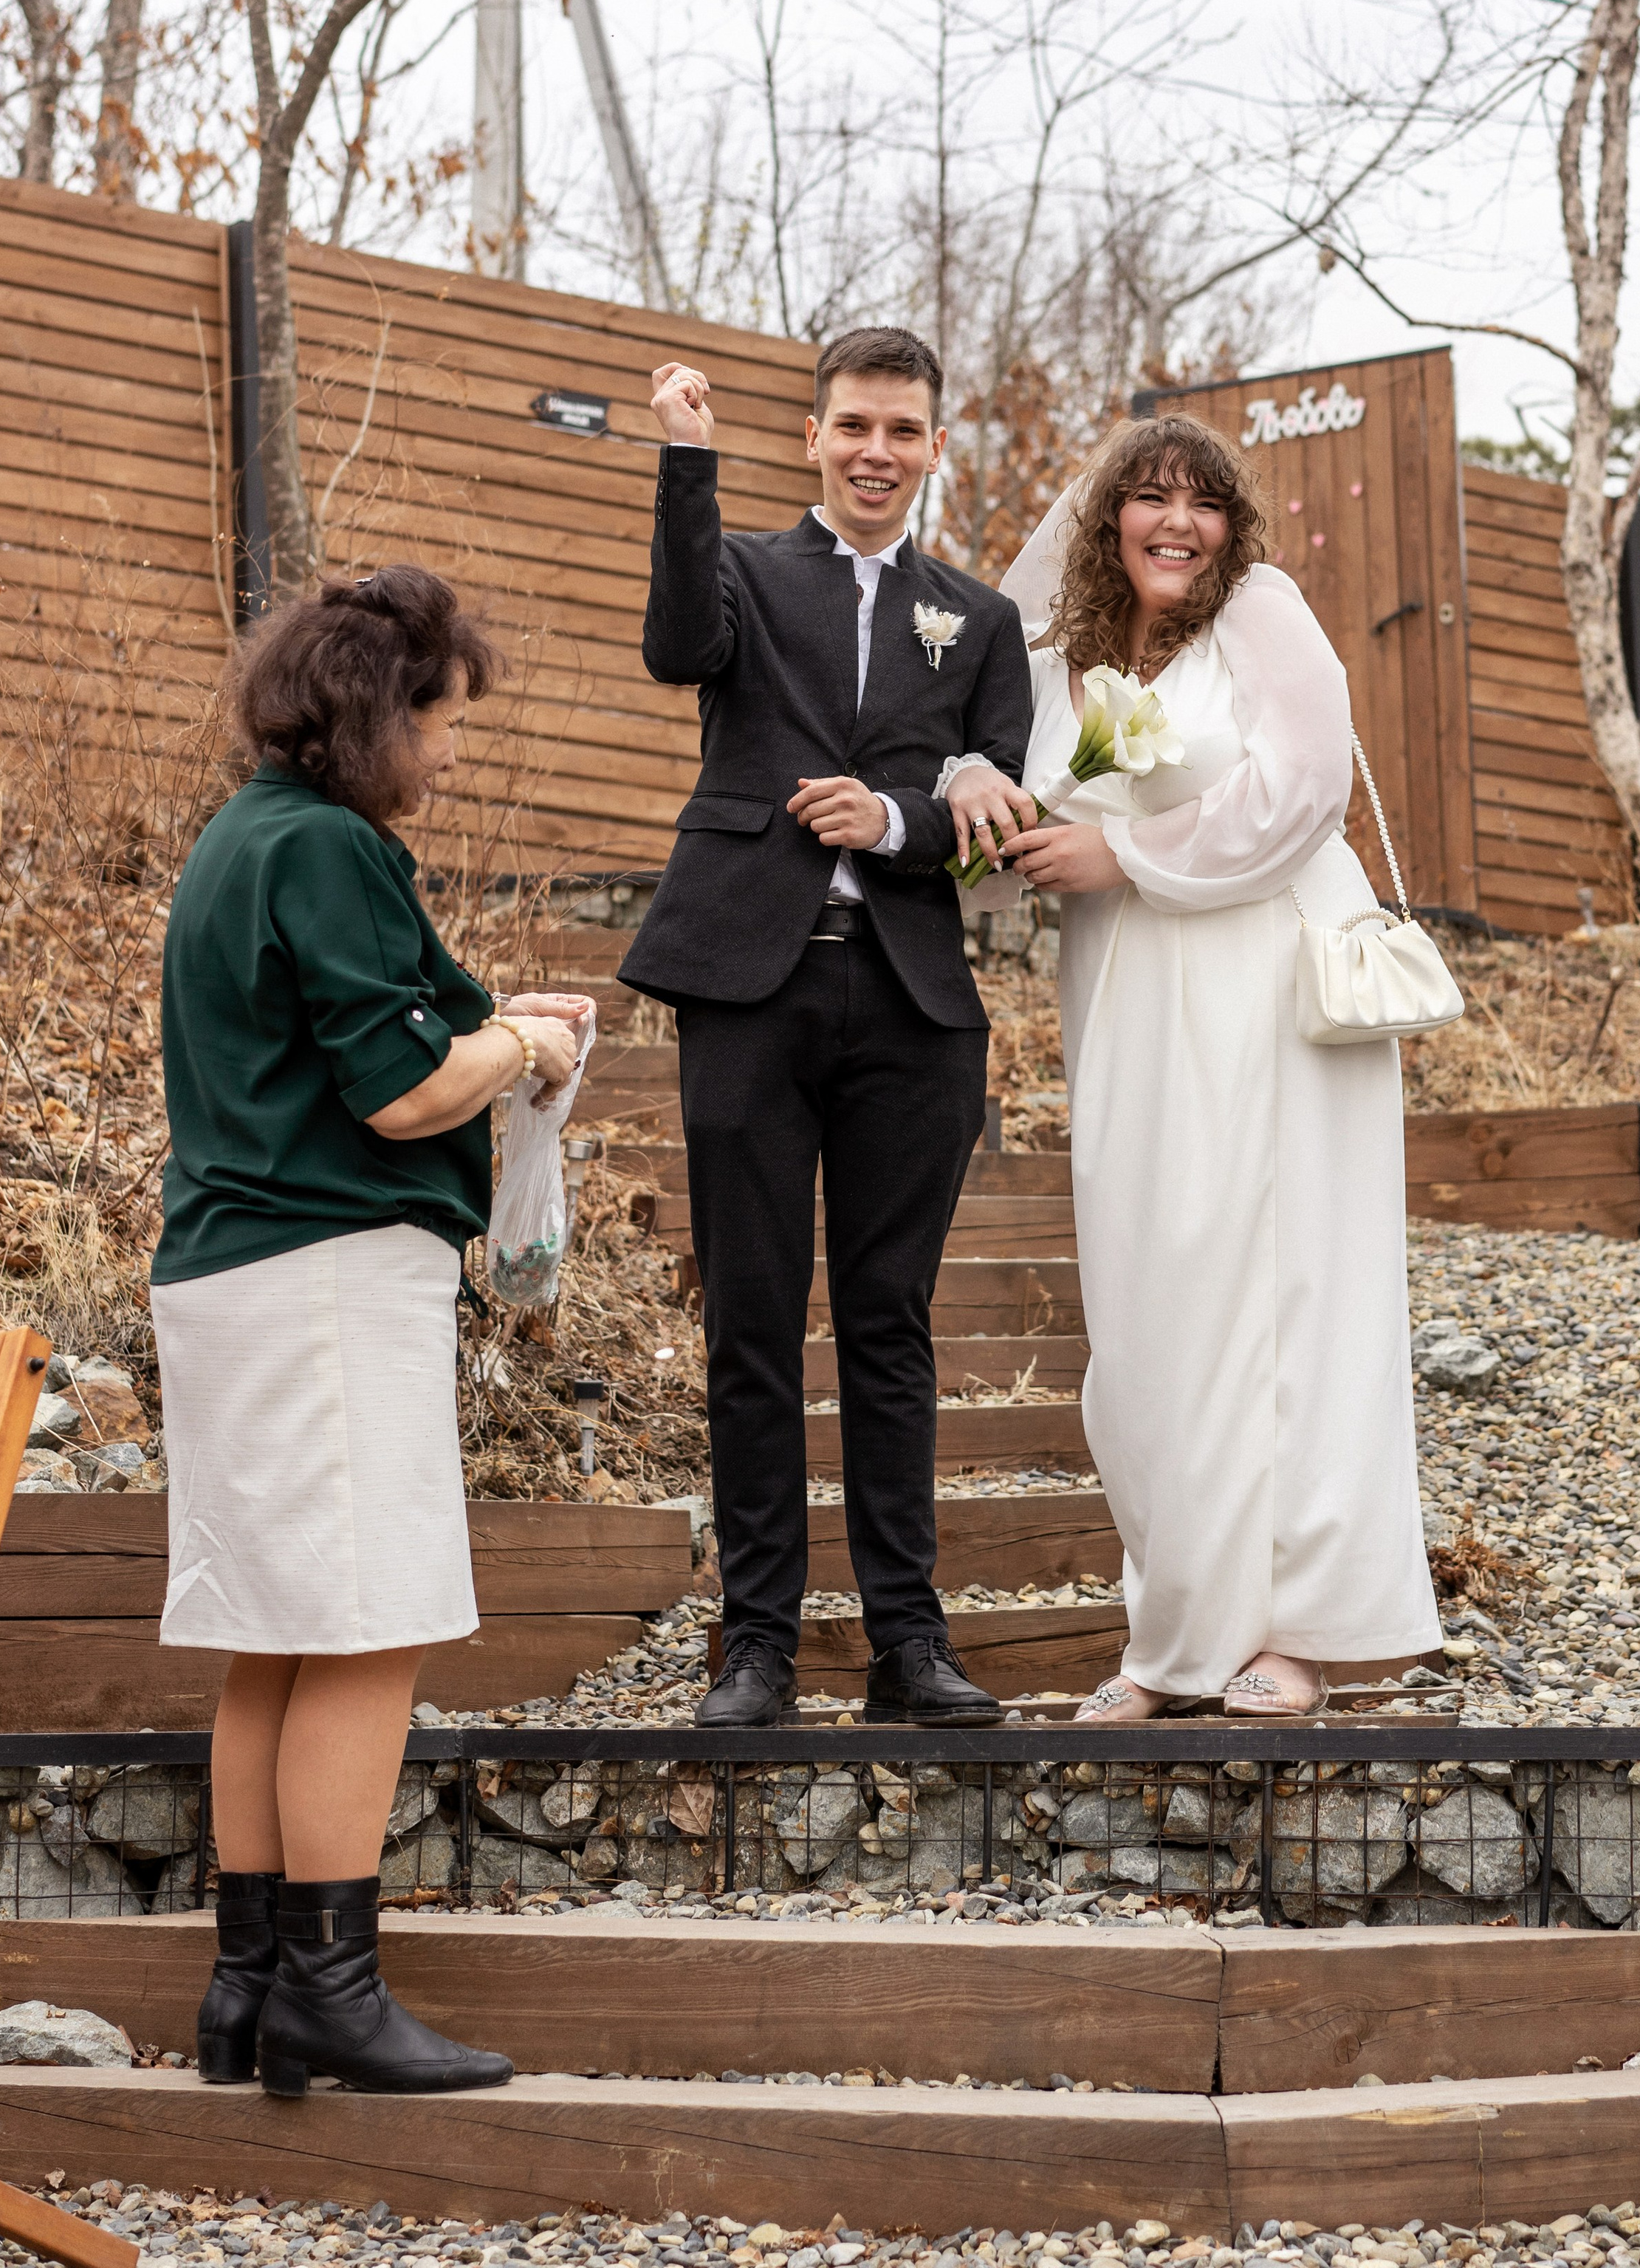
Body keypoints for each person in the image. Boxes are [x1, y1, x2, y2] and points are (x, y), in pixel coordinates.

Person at [151, 566, 588, 2094]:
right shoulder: (331, 848)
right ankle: (331, 1995)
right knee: (364, 1627)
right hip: (324, 1275)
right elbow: (399, 1092)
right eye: (444, 721)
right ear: (375, 716)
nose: (452, 754)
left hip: (229, 1271)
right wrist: (520, 1042)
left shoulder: (243, 836)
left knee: (274, 1635)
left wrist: (491, 1033)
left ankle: (249, 1985)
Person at [996, 414, 1441, 1719]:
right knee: (1154, 1301)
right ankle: (1177, 1635)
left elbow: (1305, 788)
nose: (1177, 523)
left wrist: (1126, 854)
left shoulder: (1262, 610)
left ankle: (1300, 1632)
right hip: (1131, 995)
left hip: (1268, 986)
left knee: (1293, 1291)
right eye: (1149, 497)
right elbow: (1027, 804)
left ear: (1231, 524)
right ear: (1109, 520)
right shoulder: (1067, 654)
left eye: (1202, 502)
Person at [622, 326, 1037, 1727]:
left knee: (889, 1326)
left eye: (903, 430)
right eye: (854, 425)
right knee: (752, 1321)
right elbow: (677, 648)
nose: (877, 451)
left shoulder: (979, 619)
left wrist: (898, 819)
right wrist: (686, 463)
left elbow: (998, 814)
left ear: (935, 446)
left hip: (912, 1006)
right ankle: (756, 1645)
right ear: (814, 436)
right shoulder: (744, 570)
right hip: (751, 982)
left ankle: (908, 1644)